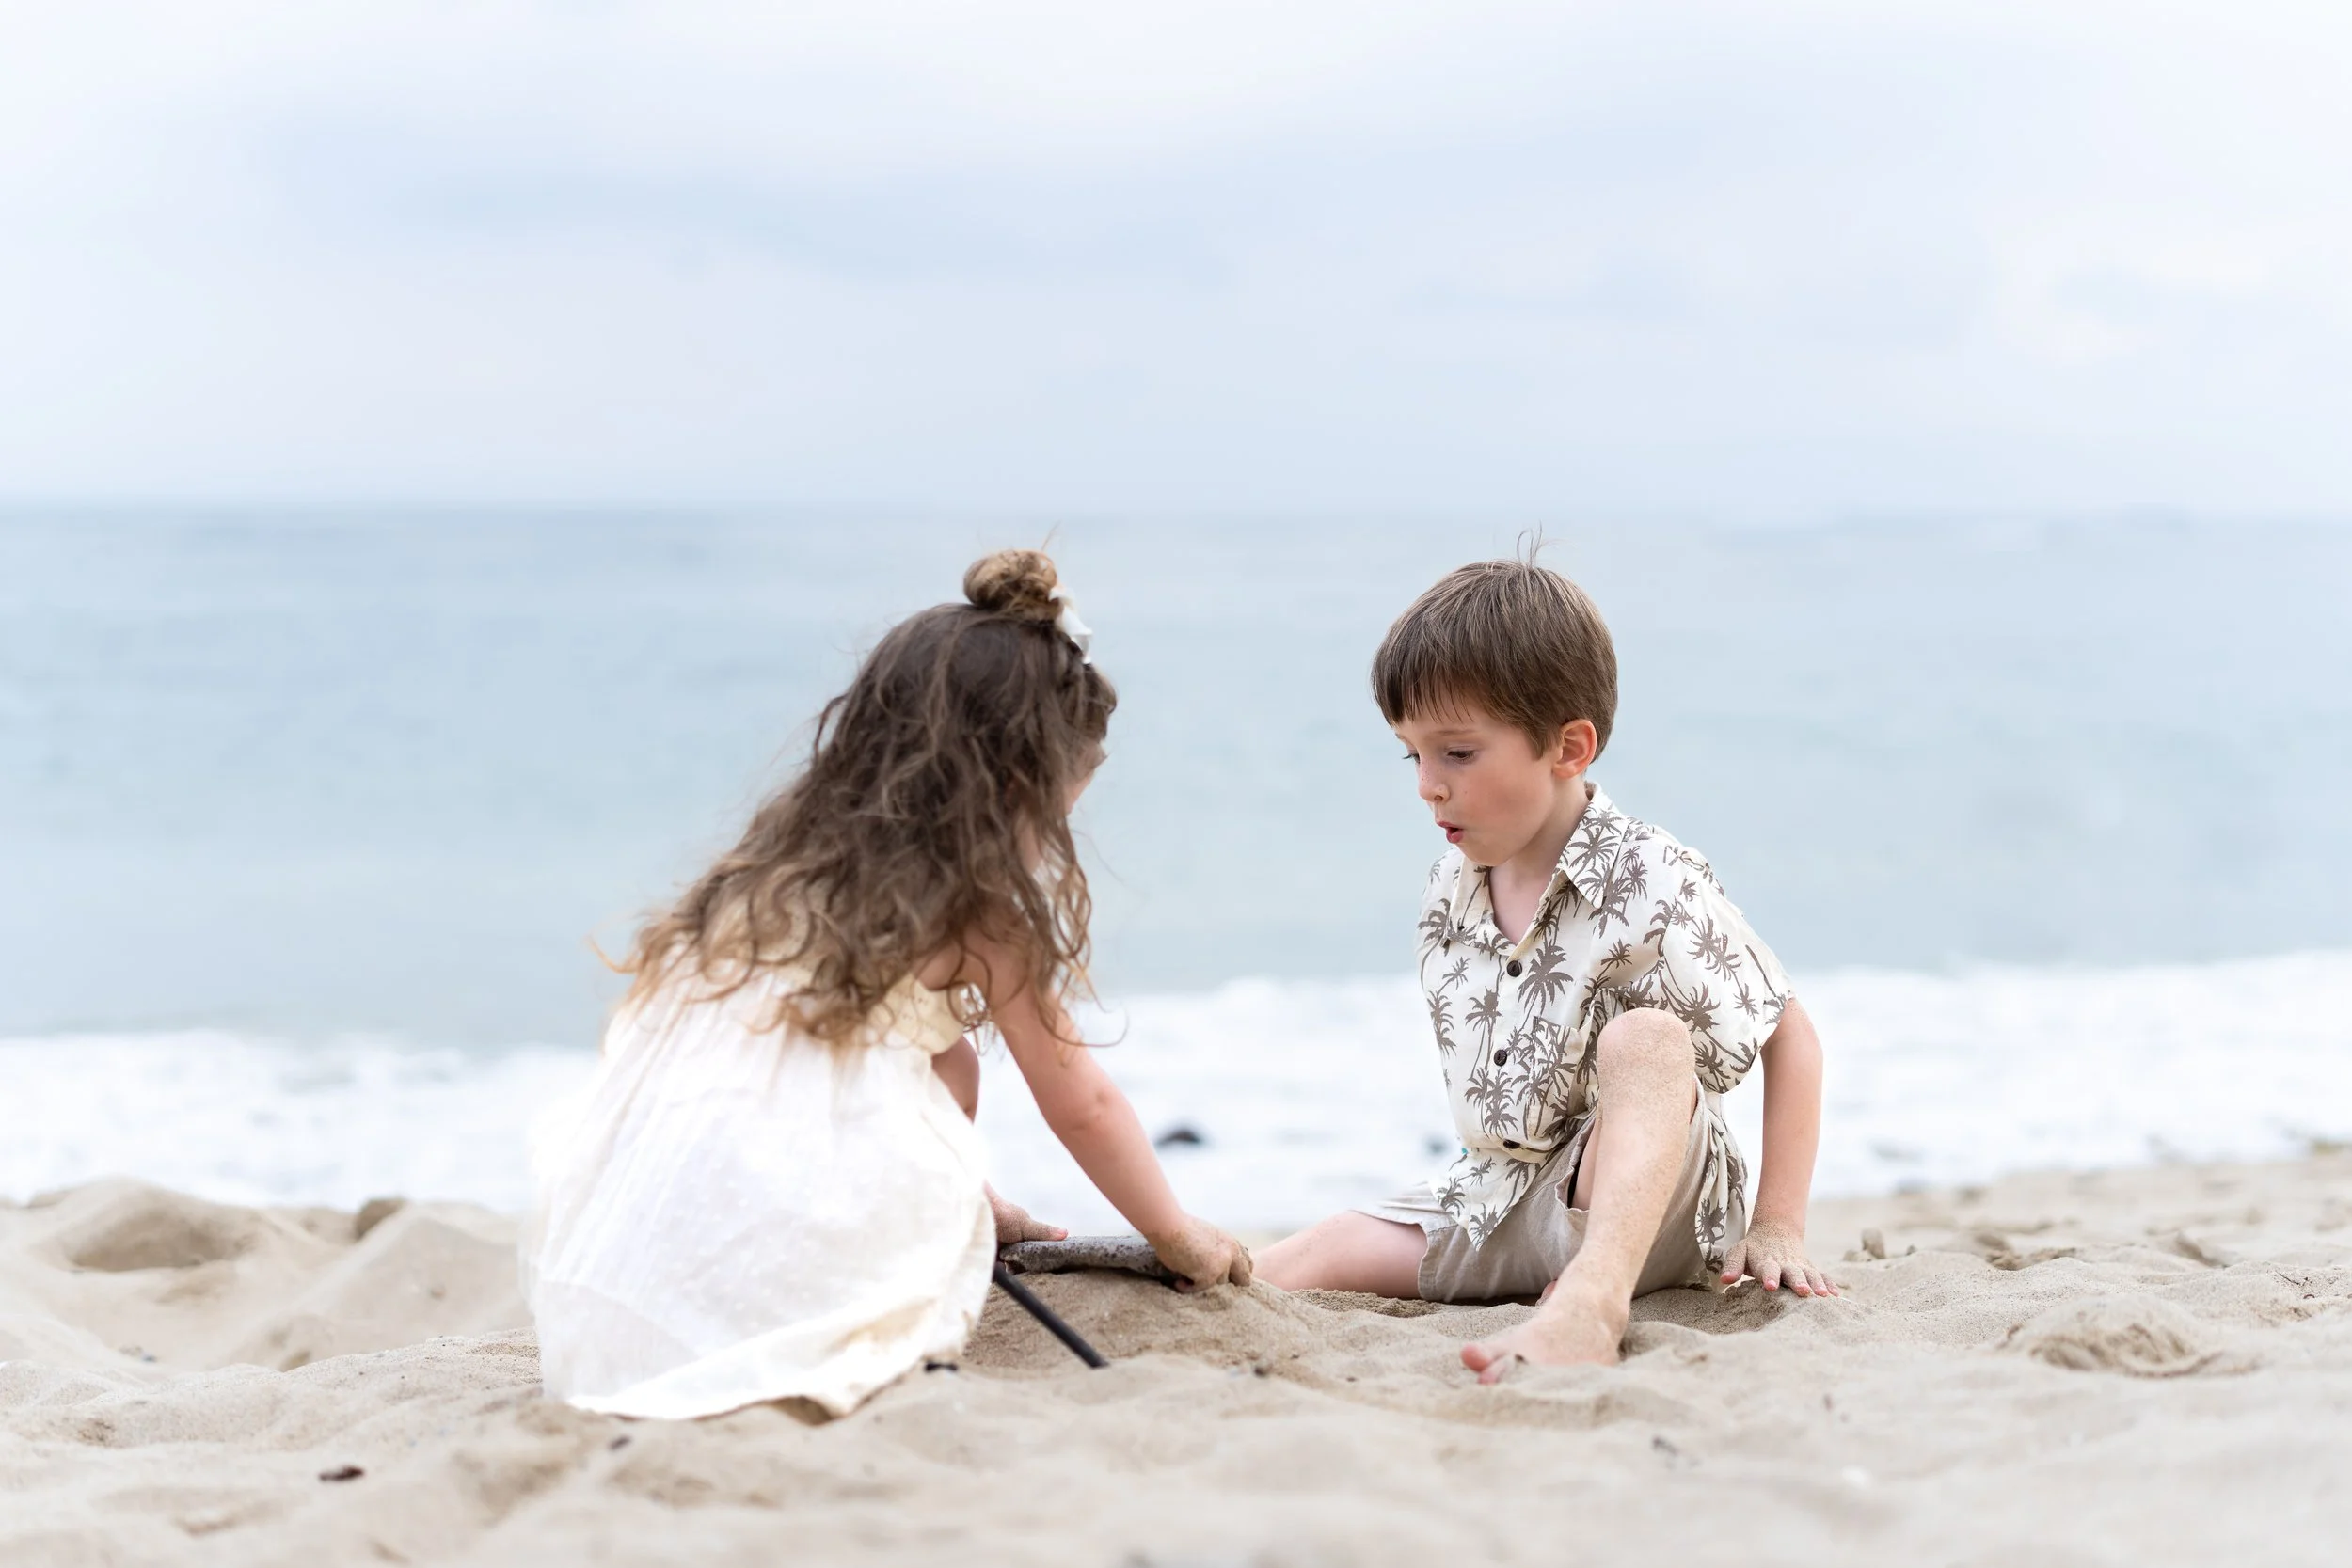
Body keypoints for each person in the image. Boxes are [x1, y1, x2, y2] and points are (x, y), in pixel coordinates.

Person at [522, 549, 1250, 1419]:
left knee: (947, 1058)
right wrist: (1174, 1231)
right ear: (1014, 786)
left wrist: (975, 1198)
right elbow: (1081, 1100)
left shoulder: (778, 871)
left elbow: (851, 1083)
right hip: (783, 1253)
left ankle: (945, 1211)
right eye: (1063, 802)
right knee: (944, 1072)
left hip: (633, 1253)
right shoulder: (983, 912)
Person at [1255, 554, 1834, 1378]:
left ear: (1568, 747)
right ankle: (1164, 1270)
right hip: (1501, 1196)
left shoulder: (1647, 875)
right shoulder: (1451, 888)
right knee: (1313, 1251)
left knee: (1647, 1038)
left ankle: (1591, 1303)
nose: (1427, 786)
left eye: (1457, 753)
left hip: (1646, 1202)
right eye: (1412, 755)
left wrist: (1778, 1226)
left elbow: (1789, 1030)